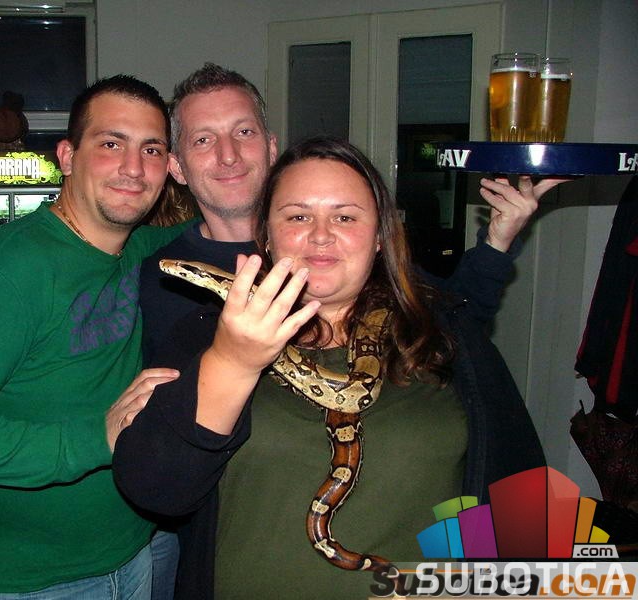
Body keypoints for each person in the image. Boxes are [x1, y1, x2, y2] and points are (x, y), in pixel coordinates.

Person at [114, 63, 565, 598]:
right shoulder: (199, 327)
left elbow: (521, 494)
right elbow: (158, 489)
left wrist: (496, 244)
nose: (321, 236)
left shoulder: (439, 326)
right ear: (266, 237)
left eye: (346, 217)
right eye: (298, 217)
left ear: (380, 235)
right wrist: (227, 364)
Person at [0, 75, 187, 599]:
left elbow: (215, 230)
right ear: (68, 157)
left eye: (151, 149)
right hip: (31, 583)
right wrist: (96, 438)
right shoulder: (3, 273)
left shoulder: (141, 251)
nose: (133, 167)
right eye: (111, 143)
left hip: (135, 550)